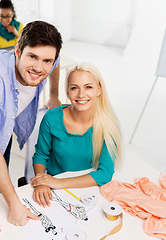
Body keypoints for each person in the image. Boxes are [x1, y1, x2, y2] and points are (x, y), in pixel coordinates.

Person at [0, 20, 63, 226]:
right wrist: (14, 203)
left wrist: (53, 95)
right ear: (17, 51)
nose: (39, 68)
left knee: (0, 189)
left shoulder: (50, 60)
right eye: (32, 57)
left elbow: (56, 63)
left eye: (46, 61)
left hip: (3, 131)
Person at [30, 63, 123, 207]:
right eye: (74, 88)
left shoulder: (107, 125)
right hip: (53, 188)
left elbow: (105, 173)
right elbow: (41, 155)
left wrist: (57, 183)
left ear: (99, 90)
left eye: (88, 87)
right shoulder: (51, 118)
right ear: (67, 92)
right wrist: (42, 182)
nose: (81, 94)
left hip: (86, 186)